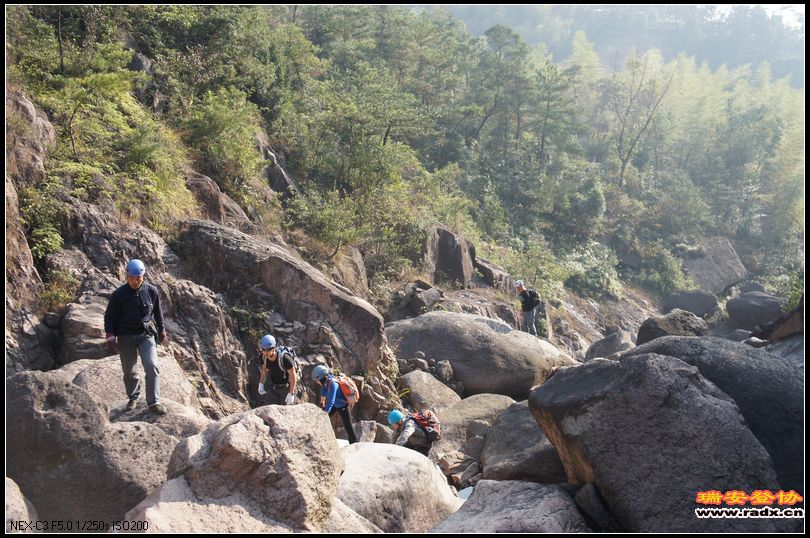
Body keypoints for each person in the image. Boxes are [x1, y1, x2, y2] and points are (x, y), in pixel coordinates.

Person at [104, 259, 167, 415]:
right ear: (127, 276)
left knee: (151, 366)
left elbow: (158, 312)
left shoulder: (151, 291)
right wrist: (110, 335)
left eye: (138, 278)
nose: (135, 281)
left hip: (145, 334)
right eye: (132, 278)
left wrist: (162, 329)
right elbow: (109, 317)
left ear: (143, 276)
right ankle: (133, 397)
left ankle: (154, 402)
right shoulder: (118, 295)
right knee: (129, 371)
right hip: (125, 335)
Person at [313, 365, 357, 444]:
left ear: (321, 378)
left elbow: (331, 401)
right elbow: (323, 394)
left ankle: (354, 444)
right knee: (322, 419)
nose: (317, 382)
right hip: (334, 406)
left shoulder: (333, 384)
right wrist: (321, 402)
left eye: (317, 380)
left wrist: (326, 412)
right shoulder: (324, 384)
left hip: (343, 406)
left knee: (348, 426)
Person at [258, 334, 297, 405]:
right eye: (263, 349)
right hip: (274, 387)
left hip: (286, 387)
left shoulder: (285, 359)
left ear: (273, 348)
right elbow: (264, 370)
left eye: (268, 350)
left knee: (286, 411)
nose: (265, 352)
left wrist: (291, 393)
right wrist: (261, 383)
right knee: (269, 408)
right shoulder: (263, 357)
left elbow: (293, 375)